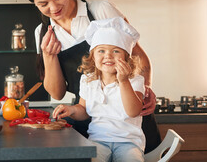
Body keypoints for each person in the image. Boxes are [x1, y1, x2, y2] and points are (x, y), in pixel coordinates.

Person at [22, 0, 161, 153]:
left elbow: (138, 56)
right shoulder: (42, 33)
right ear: (34, 4)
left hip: (128, 123)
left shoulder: (100, 11)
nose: (54, 8)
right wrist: (48, 55)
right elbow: (57, 93)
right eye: (43, 4)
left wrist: (145, 89)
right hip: (90, 124)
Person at [53, 17, 145, 162]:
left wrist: (123, 81)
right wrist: (71, 110)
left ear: (126, 58)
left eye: (115, 51)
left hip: (128, 142)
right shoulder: (88, 81)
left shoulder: (135, 81)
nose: (108, 55)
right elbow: (83, 110)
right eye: (101, 51)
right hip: (98, 140)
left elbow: (133, 111)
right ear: (93, 57)